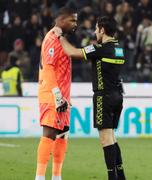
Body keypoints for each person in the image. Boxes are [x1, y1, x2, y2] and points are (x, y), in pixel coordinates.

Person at [53, 16, 126, 180]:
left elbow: (72, 52)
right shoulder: (120, 49)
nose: (94, 31)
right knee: (112, 137)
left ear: (102, 29)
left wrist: (60, 36)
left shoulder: (98, 48)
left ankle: (112, 177)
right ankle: (121, 175)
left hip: (103, 97)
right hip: (117, 96)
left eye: (96, 28)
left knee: (105, 139)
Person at [35, 7, 77, 180]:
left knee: (63, 133)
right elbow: (49, 69)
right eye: (72, 20)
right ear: (61, 19)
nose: (76, 24)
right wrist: (58, 96)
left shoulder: (61, 39)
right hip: (53, 95)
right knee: (50, 134)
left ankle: (56, 177)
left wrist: (65, 97)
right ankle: (39, 177)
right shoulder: (52, 39)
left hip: (62, 96)